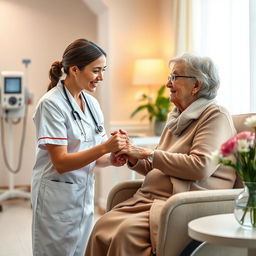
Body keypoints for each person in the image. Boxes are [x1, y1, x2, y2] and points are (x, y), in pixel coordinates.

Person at [85, 53, 237, 256]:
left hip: (181, 201)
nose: (167, 84)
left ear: (196, 85)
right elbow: (155, 165)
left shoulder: (215, 116)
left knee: (125, 232)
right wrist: (132, 156)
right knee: (102, 225)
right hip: (152, 199)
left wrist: (146, 153)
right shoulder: (177, 117)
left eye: (175, 77)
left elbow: (200, 166)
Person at [31, 38, 128, 256]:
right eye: (96, 71)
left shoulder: (92, 104)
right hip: (56, 198)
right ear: (75, 69)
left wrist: (111, 158)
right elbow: (61, 162)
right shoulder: (51, 104)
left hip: (82, 197)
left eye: (103, 70)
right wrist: (105, 149)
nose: (101, 78)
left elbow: (94, 155)